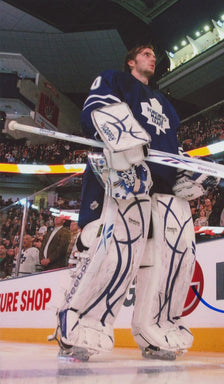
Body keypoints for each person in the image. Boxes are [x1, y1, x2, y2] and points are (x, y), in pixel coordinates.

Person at [50, 44, 197, 362]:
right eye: (145, 53)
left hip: (160, 188)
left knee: (172, 256)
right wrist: (125, 140)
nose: (151, 57)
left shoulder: (167, 107)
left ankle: (156, 327)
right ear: (131, 60)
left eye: (153, 55)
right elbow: (97, 112)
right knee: (116, 250)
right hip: (122, 179)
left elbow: (171, 145)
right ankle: (82, 323)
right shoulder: (114, 80)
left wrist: (185, 169)